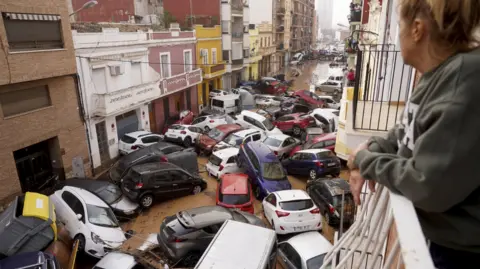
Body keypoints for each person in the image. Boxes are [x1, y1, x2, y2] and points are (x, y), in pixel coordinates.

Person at [346, 0, 480, 268]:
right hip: (444, 242)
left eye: (399, 26)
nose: (398, 34)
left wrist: (366, 162)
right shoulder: (438, 75)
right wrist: (373, 146)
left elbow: (427, 184)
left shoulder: (463, 79)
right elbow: (404, 131)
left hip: (461, 255)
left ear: (417, 29)